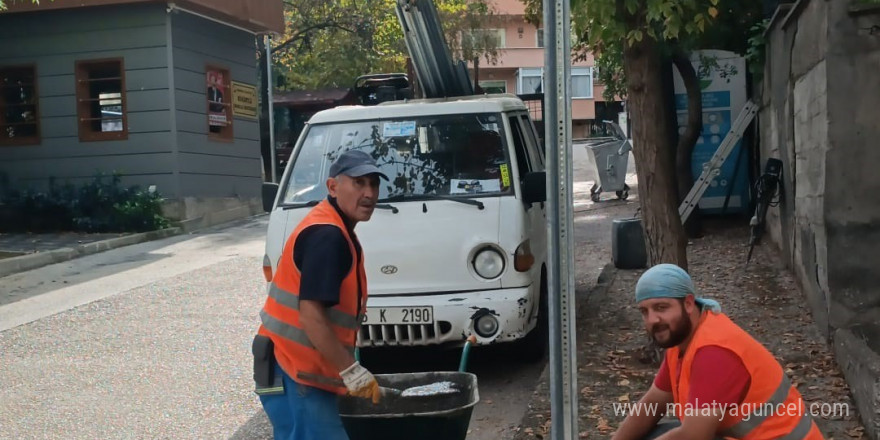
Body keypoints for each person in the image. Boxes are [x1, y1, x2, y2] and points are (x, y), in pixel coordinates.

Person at [251, 149, 389, 440]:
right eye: (359, 183)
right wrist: (351, 370)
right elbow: (311, 316)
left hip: (290, 367)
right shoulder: (328, 237)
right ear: (333, 187)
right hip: (296, 371)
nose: (369, 193)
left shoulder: (332, 226)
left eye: (374, 184)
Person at [612, 263, 824, 440]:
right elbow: (653, 403)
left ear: (687, 303)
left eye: (661, 308)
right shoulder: (682, 339)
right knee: (653, 432)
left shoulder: (713, 352)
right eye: (644, 311)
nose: (652, 321)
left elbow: (693, 436)